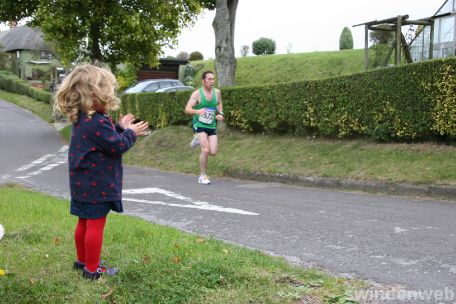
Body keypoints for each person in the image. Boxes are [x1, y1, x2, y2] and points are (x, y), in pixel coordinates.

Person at [54, 64, 148, 280]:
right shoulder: (96, 121)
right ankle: (92, 269)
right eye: (108, 90)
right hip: (97, 185)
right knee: (95, 225)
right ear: (96, 94)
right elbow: (116, 145)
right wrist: (131, 133)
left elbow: (104, 140)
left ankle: (82, 261)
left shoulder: (84, 119)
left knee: (83, 222)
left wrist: (121, 127)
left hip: (82, 184)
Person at [184, 71, 224, 184]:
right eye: (209, 79)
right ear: (203, 81)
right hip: (199, 124)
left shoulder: (217, 92)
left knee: (213, 152)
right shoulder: (197, 94)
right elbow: (187, 109)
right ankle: (202, 176)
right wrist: (197, 111)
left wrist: (221, 114)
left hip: (211, 124)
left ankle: (197, 140)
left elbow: (220, 103)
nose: (212, 81)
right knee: (205, 150)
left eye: (213, 79)